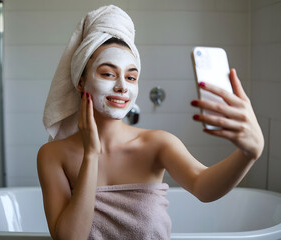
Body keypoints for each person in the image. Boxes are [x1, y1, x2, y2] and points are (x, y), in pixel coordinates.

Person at [37, 5, 264, 240]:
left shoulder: (158, 144)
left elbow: (203, 187)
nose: (122, 86)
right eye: (108, 73)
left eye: (131, 76)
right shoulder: (52, 155)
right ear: (80, 82)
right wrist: (91, 155)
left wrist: (249, 153)